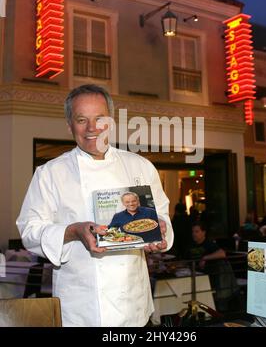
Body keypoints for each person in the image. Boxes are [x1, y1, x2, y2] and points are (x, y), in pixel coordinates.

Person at [16, 84, 173, 327]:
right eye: (81, 119)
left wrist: (160, 232)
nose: (92, 128)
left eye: (100, 118)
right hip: (80, 310)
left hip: (133, 306)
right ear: (69, 125)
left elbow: (162, 214)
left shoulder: (140, 166)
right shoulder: (49, 174)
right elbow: (29, 231)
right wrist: (73, 231)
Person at [185, 222, 239, 312]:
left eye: (197, 231)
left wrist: (205, 258)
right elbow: (185, 260)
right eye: (193, 232)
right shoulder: (190, 245)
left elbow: (222, 253)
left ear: (203, 232)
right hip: (193, 275)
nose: (194, 234)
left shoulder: (209, 244)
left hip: (209, 277)